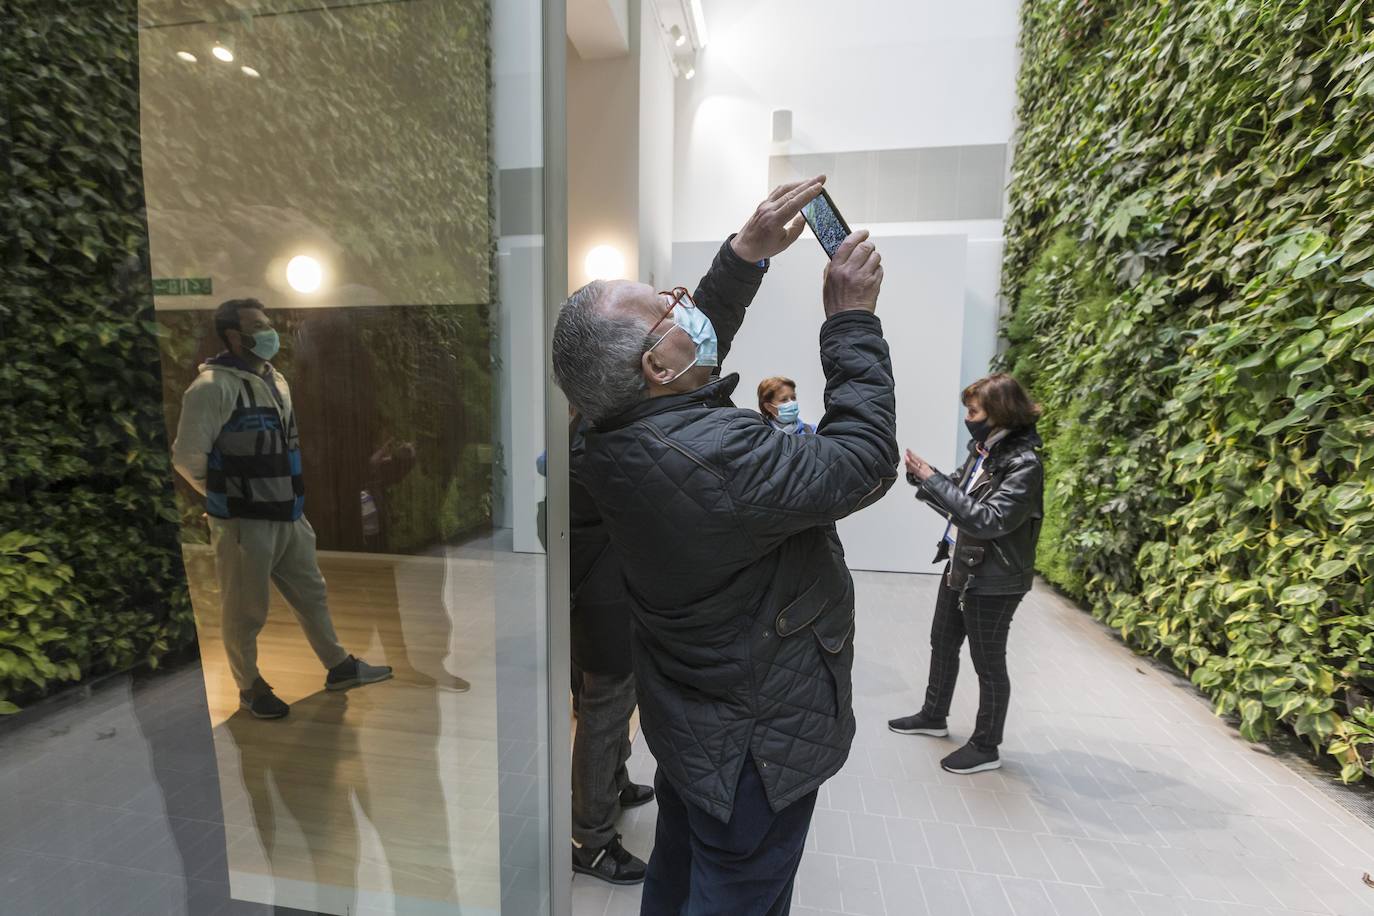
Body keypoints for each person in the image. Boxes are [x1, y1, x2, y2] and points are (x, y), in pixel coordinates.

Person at [551, 176, 898, 915]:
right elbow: (864, 461)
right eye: (667, 306)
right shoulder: (719, 456)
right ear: (658, 366)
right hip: (754, 742)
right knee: (735, 893)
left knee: (678, 879)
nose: (683, 303)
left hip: (696, 725)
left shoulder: (603, 433)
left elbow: (683, 361)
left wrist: (745, 255)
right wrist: (851, 323)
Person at [172, 298, 393, 720]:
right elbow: (186, 458)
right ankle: (249, 686)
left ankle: (339, 667)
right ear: (233, 336)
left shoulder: (277, 380)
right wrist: (225, 499)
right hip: (244, 522)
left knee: (312, 594)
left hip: (288, 514)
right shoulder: (211, 387)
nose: (268, 332)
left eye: (268, 323)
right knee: (244, 608)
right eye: (257, 325)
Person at [887, 373, 1044, 775]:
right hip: (963, 563)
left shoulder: (1024, 465)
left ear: (999, 413)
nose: (968, 418)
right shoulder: (985, 452)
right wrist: (925, 478)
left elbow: (988, 520)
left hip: (995, 579)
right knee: (942, 642)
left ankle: (986, 746)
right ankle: (933, 716)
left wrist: (932, 480)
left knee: (988, 664)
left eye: (973, 411)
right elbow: (959, 498)